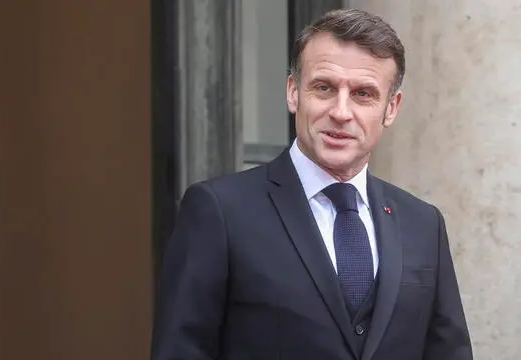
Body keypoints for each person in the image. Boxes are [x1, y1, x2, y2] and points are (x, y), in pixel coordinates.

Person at [150, 8, 472, 360]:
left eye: (364, 94)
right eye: (324, 87)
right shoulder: (219, 211)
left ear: (391, 108)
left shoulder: (423, 223)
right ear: (293, 92)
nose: (341, 112)